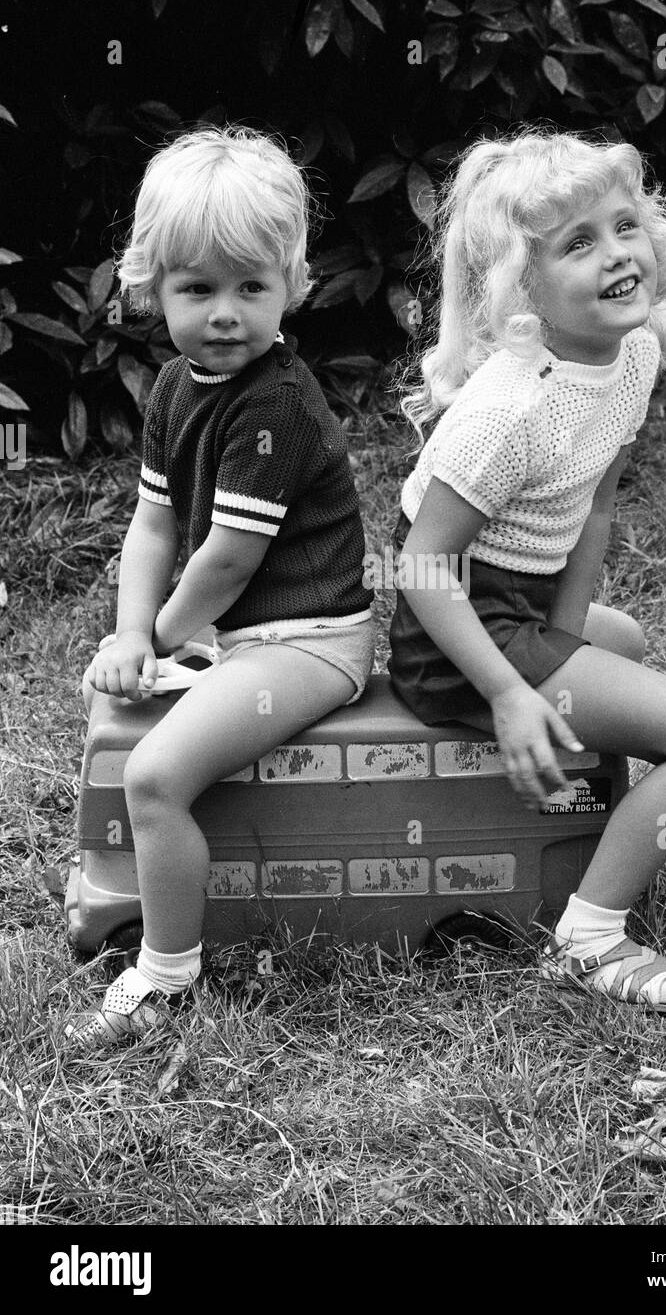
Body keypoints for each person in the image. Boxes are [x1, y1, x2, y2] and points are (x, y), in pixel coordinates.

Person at [387, 130, 666, 1014]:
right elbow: (423, 565)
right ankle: (591, 937)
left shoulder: (632, 352)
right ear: (523, 288)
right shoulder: (512, 407)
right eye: (577, 244)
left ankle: (589, 829)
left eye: (624, 225)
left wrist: (569, 631)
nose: (617, 254)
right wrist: (513, 692)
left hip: (530, 603)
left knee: (625, 640)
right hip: (457, 628)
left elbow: (597, 504)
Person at [66, 126, 375, 1053]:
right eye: (198, 289)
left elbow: (229, 559)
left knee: (156, 776)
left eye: (253, 287)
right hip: (234, 633)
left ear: (295, 286)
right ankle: (131, 875)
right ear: (149, 288)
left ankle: (167, 974)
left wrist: (159, 639)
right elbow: (156, 524)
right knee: (110, 705)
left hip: (306, 642)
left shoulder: (275, 401)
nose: (228, 314)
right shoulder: (172, 386)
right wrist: (133, 636)